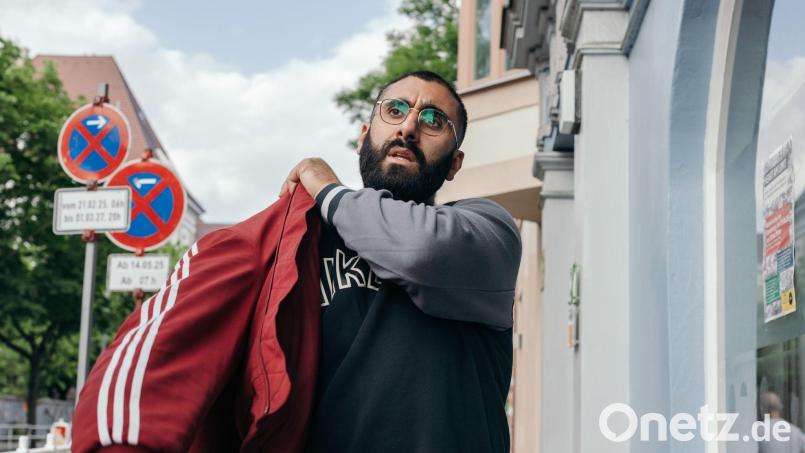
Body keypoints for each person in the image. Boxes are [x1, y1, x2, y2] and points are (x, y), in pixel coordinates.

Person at [280, 70, 522, 453]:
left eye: (432, 120)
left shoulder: (486, 231)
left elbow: (421, 251)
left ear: (455, 163)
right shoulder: (301, 243)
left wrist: (327, 188)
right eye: (395, 109)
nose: (409, 127)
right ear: (364, 137)